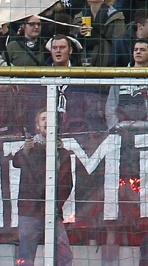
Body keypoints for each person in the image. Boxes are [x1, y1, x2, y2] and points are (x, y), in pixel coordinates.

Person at [14, 109, 73, 266]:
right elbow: (16, 162)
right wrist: (26, 150)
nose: (47, 121)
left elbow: (66, 185)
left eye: (51, 118)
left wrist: (53, 207)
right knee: (25, 258)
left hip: (52, 213)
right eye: (43, 119)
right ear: (37, 126)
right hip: (29, 212)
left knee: (64, 256)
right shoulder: (30, 150)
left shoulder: (64, 154)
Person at [104, 40, 148, 128]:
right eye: (135, 49)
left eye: (142, 50)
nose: (138, 52)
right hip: (123, 128)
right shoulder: (121, 76)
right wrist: (115, 126)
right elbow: (111, 106)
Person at [73, 0, 125, 67]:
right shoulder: (80, 16)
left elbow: (117, 44)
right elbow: (74, 42)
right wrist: (80, 33)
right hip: (83, 59)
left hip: (106, 60)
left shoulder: (116, 17)